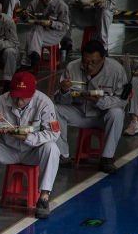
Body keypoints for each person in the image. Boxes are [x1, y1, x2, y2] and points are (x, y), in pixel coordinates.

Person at [0, 71, 60, 219]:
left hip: (33, 150)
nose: (19, 101)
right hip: (7, 148)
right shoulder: (0, 102)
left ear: (33, 93)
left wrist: (28, 137)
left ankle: (43, 197)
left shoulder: (44, 103)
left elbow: (53, 134)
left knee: (52, 148)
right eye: (16, 96)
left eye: (24, 98)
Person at [54, 39, 128, 173]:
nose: (89, 66)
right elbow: (60, 101)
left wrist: (99, 101)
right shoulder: (72, 67)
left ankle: (107, 158)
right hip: (79, 112)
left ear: (103, 59)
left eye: (94, 62)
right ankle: (62, 156)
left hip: (102, 115)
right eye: (85, 61)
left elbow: (122, 101)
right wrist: (64, 91)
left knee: (117, 113)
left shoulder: (116, 70)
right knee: (54, 109)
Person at [21, 0, 70, 70]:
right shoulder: (35, 2)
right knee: (35, 31)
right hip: (39, 33)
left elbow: (65, 26)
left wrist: (51, 23)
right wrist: (25, 16)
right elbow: (27, 16)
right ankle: (33, 56)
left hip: (55, 34)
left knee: (31, 35)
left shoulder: (61, 5)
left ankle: (28, 62)